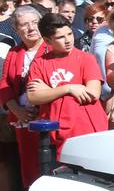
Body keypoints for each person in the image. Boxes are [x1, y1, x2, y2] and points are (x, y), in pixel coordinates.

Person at [26, 12, 108, 155]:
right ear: (47, 40)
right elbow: (34, 97)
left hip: (87, 128)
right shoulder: (40, 63)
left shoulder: (86, 59)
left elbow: (93, 93)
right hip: (55, 131)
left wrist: (49, 91)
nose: (68, 40)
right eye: (60, 37)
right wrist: (68, 88)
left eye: (69, 34)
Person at [0, 7, 45, 187]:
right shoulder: (14, 52)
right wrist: (16, 110)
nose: (31, 28)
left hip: (46, 117)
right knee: (29, 168)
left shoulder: (51, 49)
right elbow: (4, 84)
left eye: (35, 23)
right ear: (17, 30)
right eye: (25, 25)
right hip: (22, 120)